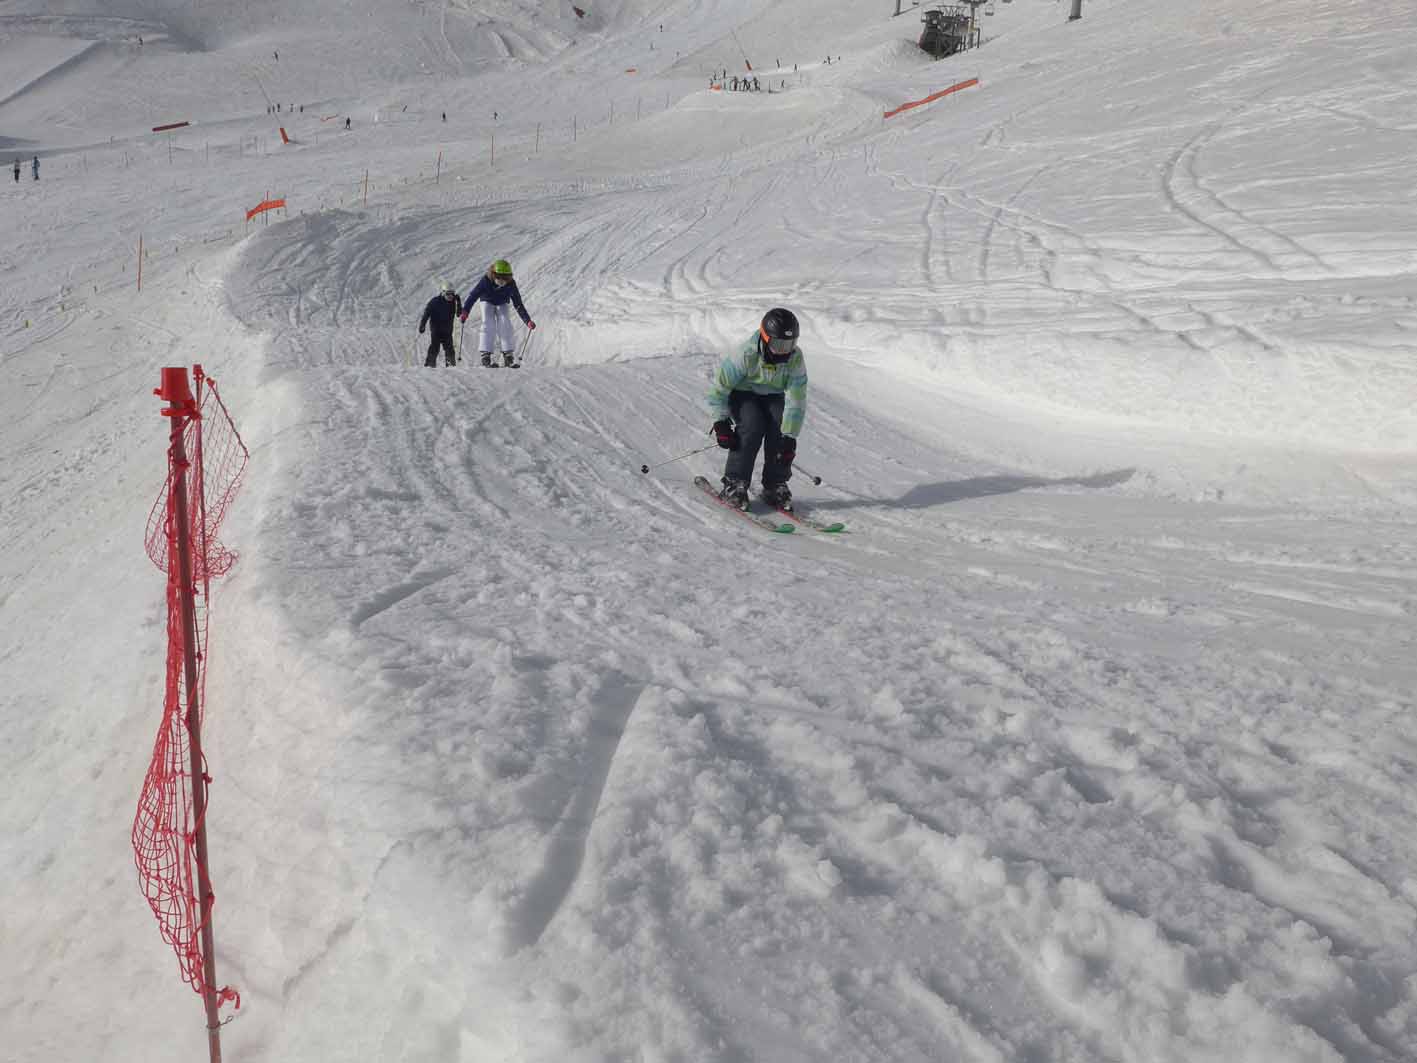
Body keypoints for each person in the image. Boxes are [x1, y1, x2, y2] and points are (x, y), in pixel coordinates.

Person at [707, 308, 808, 510]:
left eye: (789, 344)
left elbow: (797, 399)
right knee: (752, 425)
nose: (784, 351)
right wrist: (720, 422)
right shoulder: (746, 354)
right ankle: (735, 482)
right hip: (742, 393)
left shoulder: (795, 358)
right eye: (779, 345)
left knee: (780, 426)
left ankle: (775, 483)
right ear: (765, 338)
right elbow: (719, 387)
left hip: (773, 395)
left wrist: (789, 437)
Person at [460, 260, 535, 367]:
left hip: (502, 302)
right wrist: (465, 312)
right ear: (493, 274)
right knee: (488, 321)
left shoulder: (511, 284)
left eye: (505, 278)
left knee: (505, 321)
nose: (502, 281)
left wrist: (527, 321)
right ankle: (485, 355)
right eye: (499, 277)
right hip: (487, 301)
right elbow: (473, 296)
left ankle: (508, 355)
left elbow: (518, 303)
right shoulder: (486, 281)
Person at [418, 280, 462, 367]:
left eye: (452, 294)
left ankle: (451, 365)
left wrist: (459, 303)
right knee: (435, 347)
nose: (450, 296)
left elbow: (458, 314)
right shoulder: (435, 302)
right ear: (443, 293)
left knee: (449, 348)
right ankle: (430, 365)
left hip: (447, 329)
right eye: (448, 294)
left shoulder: (454, 301)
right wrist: (422, 325)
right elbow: (426, 313)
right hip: (436, 329)